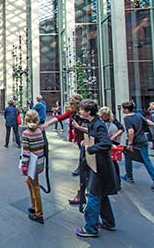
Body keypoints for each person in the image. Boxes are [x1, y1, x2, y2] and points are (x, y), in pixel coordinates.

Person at [74, 100, 118, 238]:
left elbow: (106, 143)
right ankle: (108, 222)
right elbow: (95, 136)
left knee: (93, 195)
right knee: (101, 195)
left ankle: (90, 228)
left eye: (81, 109)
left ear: (88, 111)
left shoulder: (98, 125)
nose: (80, 112)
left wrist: (90, 148)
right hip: (98, 165)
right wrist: (84, 141)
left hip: (99, 166)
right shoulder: (94, 123)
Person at [42, 94, 86, 205]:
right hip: (80, 140)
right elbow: (60, 117)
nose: (70, 106)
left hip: (87, 142)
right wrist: (47, 123)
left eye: (72, 104)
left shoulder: (84, 113)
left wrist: (79, 128)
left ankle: (83, 191)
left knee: (86, 164)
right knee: (84, 160)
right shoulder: (72, 112)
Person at [121, 101, 154, 193]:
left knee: (129, 157)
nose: (122, 110)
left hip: (135, 142)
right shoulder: (138, 115)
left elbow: (131, 131)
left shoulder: (127, 118)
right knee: (145, 161)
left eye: (123, 108)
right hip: (143, 140)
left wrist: (130, 143)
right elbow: (149, 122)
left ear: (126, 109)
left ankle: (130, 176)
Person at [20, 109, 45, 224]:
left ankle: (39, 213)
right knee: (29, 182)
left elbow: (26, 151)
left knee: (35, 187)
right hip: (39, 162)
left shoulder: (26, 133)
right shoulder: (39, 131)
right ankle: (34, 205)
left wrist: (24, 165)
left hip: (31, 164)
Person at [98, 107, 124, 189]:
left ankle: (117, 182)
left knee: (113, 162)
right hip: (104, 142)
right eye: (103, 116)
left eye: (106, 116)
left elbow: (121, 129)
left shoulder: (113, 120)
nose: (105, 117)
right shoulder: (99, 121)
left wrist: (114, 136)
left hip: (113, 143)